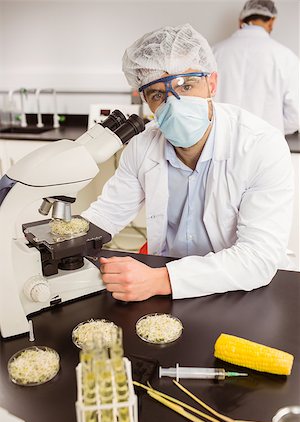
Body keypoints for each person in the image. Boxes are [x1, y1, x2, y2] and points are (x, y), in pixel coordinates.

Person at [81, 23, 293, 302]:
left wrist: (161, 279)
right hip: (165, 285)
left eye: (186, 85)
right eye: (158, 94)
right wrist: (62, 238)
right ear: (145, 101)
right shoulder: (143, 145)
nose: (174, 103)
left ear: (212, 83)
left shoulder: (261, 145)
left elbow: (257, 258)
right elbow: (105, 216)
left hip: (242, 289)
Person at [213, 0, 299, 135]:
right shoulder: (286, 57)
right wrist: (272, 129)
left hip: (222, 142)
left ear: (240, 21)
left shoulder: (214, 52)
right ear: (272, 21)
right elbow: (295, 117)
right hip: (267, 145)